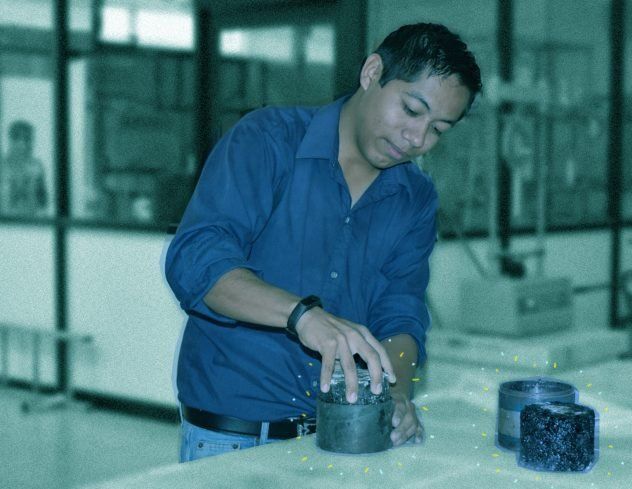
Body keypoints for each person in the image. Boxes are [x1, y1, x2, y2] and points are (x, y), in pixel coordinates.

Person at [165, 22, 482, 463]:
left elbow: (401, 311)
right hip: (233, 438)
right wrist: (301, 316)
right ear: (372, 72)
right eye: (411, 110)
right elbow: (196, 261)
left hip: (346, 435)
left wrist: (395, 393)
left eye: (438, 130)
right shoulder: (268, 140)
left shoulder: (415, 197)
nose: (417, 139)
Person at [0, 120, 48, 217]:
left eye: (27, 139)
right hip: (5, 222)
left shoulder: (37, 167)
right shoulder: (2, 167)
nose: (23, 145)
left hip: (30, 221)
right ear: (11, 141)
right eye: (17, 139)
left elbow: (43, 201)